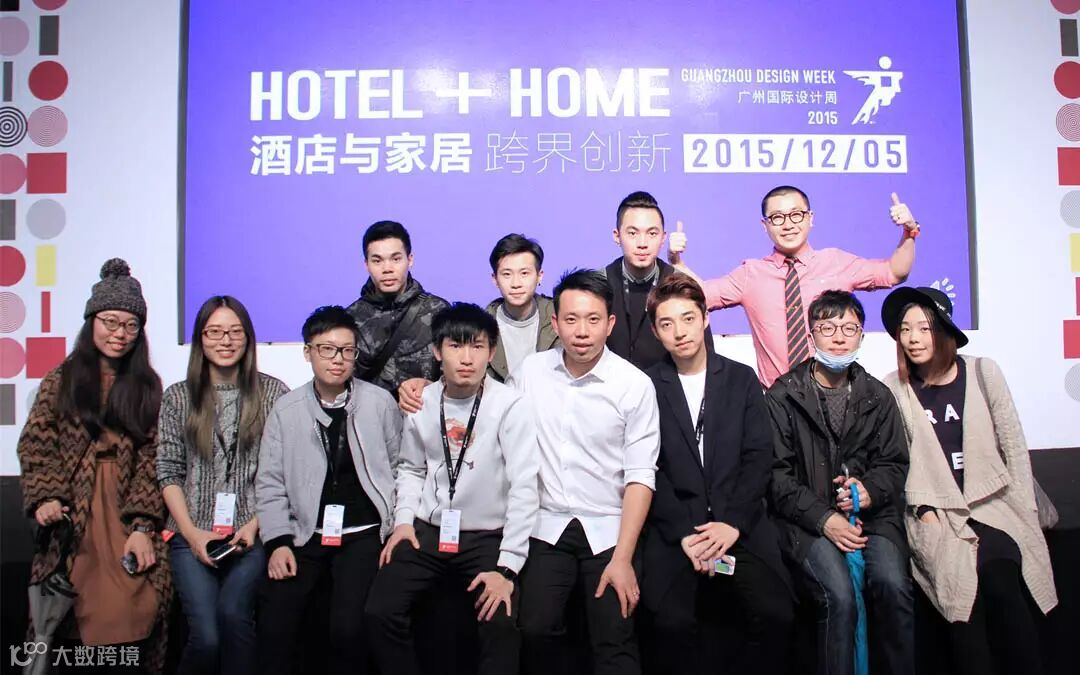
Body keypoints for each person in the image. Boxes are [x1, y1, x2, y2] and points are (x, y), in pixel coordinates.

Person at [880, 287, 1057, 675]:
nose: (912, 338)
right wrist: (924, 512)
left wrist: (1023, 508)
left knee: (1002, 581)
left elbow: (1013, 444)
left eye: (924, 328)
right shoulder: (894, 387)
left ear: (944, 330)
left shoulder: (982, 372)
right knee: (963, 604)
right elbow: (896, 460)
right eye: (905, 329)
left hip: (993, 505)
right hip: (937, 513)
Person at [365, 303, 539, 675]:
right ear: (436, 351)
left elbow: (525, 487)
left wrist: (507, 568)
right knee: (380, 610)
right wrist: (403, 522)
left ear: (491, 352)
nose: (466, 358)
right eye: (455, 346)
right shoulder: (422, 402)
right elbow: (411, 469)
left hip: (487, 535)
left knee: (500, 622)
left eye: (477, 346)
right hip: (429, 529)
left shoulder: (510, 405)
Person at [18, 258, 171, 673]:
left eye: (130, 326)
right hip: (73, 512)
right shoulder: (61, 379)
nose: (119, 334)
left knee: (136, 605)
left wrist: (142, 526)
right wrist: (46, 496)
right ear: (92, 322)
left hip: (123, 511)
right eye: (110, 322)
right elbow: (36, 442)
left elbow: (152, 457)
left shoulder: (147, 386)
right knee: (70, 614)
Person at [641, 274, 793, 675]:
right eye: (667, 323)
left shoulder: (741, 379)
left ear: (706, 318)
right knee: (672, 624)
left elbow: (758, 457)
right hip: (678, 531)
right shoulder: (646, 386)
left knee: (776, 614)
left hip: (738, 524)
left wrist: (731, 524)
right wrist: (686, 534)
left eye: (688, 319)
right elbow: (649, 469)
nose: (680, 332)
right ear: (655, 331)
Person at [511, 269, 660, 675]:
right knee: (534, 629)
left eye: (593, 319)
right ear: (555, 322)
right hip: (546, 525)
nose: (581, 331)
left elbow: (640, 476)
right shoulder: (530, 373)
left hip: (610, 529)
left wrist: (624, 558)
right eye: (571, 319)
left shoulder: (633, 385)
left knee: (615, 636)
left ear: (609, 324)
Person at [766, 290, 913, 675]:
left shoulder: (878, 396)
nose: (839, 338)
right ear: (810, 335)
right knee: (840, 596)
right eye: (828, 328)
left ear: (862, 336)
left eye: (849, 329)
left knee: (893, 585)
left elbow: (894, 463)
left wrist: (870, 490)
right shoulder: (783, 396)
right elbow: (776, 477)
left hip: (873, 518)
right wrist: (824, 519)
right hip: (806, 522)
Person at [255, 305, 400, 675]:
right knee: (276, 622)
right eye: (327, 349)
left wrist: (395, 526)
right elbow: (270, 482)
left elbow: (401, 468)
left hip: (365, 533)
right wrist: (278, 542)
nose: (338, 359)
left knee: (348, 629)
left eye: (347, 350)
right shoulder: (286, 410)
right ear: (308, 352)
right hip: (306, 533)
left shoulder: (379, 402)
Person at [157, 296, 289, 675]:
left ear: (248, 338)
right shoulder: (178, 397)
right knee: (207, 637)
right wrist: (191, 534)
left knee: (234, 615)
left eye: (235, 332)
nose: (225, 341)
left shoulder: (273, 394)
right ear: (201, 339)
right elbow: (168, 472)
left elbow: (283, 471)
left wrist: (255, 524)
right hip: (190, 533)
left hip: (252, 533)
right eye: (214, 332)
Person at [671, 185, 919, 387]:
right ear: (765, 225)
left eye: (796, 215)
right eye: (777, 218)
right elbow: (700, 294)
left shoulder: (836, 262)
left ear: (810, 218)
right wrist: (676, 262)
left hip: (836, 393)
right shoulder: (751, 274)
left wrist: (909, 231)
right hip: (777, 402)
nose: (788, 224)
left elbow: (894, 272)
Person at [396, 233, 558, 413]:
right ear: (494, 279)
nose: (516, 283)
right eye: (506, 274)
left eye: (524, 273)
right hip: (496, 418)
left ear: (539, 276)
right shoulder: (480, 327)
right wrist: (428, 386)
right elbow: (458, 374)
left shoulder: (563, 318)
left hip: (552, 418)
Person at [602, 190, 711, 371]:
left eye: (652, 233)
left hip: (668, 386)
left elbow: (705, 356)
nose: (642, 243)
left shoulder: (680, 284)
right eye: (632, 233)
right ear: (617, 236)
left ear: (663, 238)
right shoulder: (599, 285)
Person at [346, 220, 449, 397]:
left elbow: (456, 374)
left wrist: (433, 387)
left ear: (410, 260)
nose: (387, 269)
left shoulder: (438, 311)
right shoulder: (351, 318)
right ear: (366, 264)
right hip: (371, 413)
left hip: (423, 411)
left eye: (396, 259)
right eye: (377, 260)